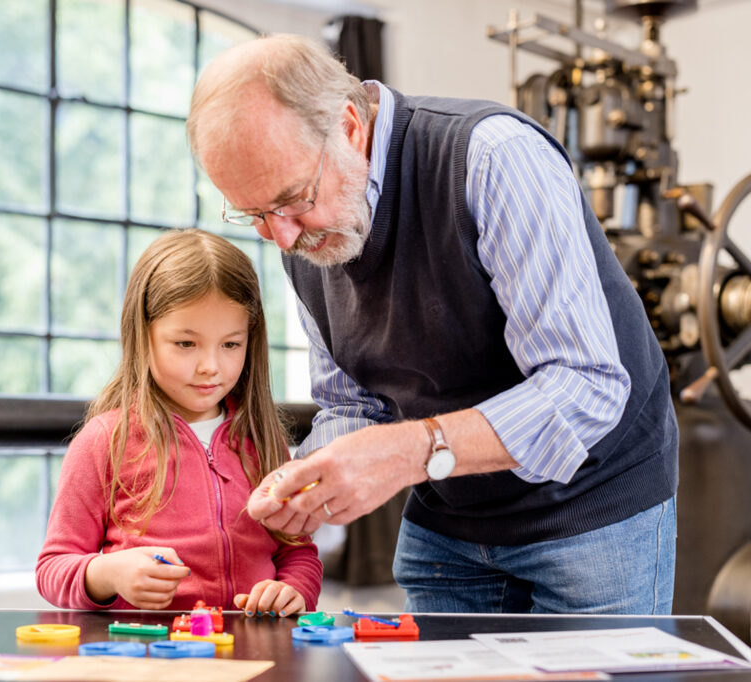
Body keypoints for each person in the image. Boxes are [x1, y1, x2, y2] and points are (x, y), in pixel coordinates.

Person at [186, 34, 679, 615]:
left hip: (591, 512)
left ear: (349, 127)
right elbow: (353, 405)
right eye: (254, 215)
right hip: (448, 526)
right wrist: (305, 480)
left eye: (292, 200)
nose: (283, 238)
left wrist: (405, 452)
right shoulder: (304, 232)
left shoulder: (493, 158)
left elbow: (586, 385)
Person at [36, 228, 322, 616]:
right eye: (186, 344)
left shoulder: (261, 437)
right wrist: (106, 574)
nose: (210, 367)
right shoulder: (104, 441)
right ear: (143, 335)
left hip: (252, 659)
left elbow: (297, 552)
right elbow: (53, 568)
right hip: (147, 661)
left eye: (231, 344)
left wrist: (293, 591)